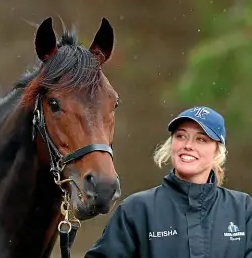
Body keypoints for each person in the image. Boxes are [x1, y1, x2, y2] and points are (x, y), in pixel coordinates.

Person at [84, 106, 252, 258]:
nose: (188, 145)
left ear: (218, 151)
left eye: (201, 139)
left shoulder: (243, 208)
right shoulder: (137, 209)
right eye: (181, 136)